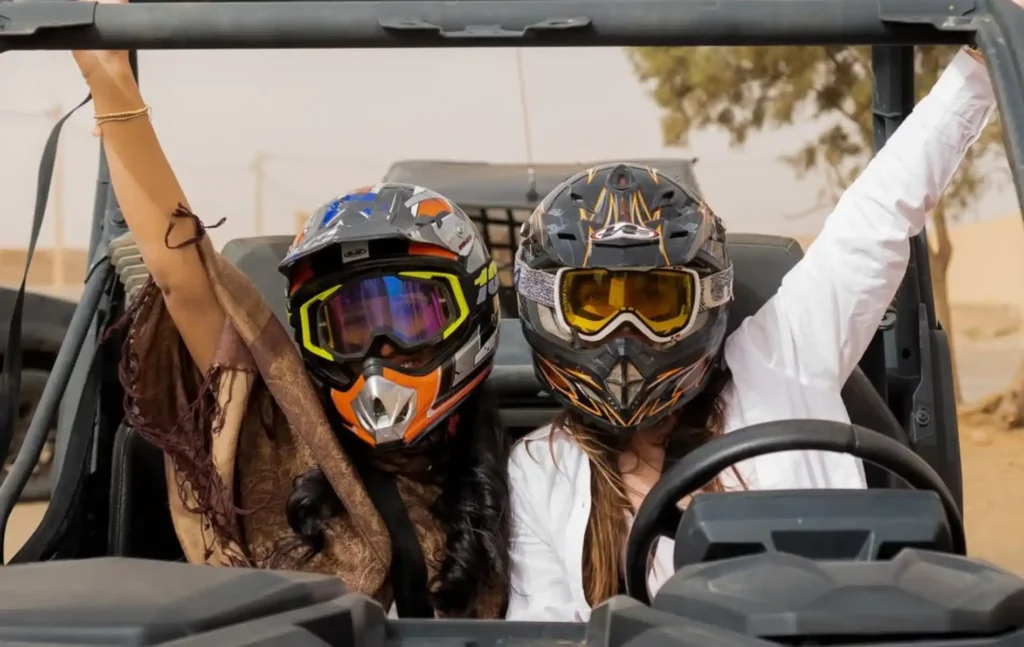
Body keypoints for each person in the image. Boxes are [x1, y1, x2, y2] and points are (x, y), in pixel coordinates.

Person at [506, 45, 995, 621]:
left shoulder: (781, 361)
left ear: (704, 301)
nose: (625, 332)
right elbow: (544, 627)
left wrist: (981, 68)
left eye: (656, 300)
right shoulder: (541, 469)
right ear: (550, 309)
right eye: (594, 303)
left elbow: (879, 216)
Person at [72, 4, 510, 617]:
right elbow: (183, 276)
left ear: (471, 313)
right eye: (348, 326)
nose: (378, 350)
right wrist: (109, 77)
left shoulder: (528, 477)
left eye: (407, 317)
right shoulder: (282, 432)